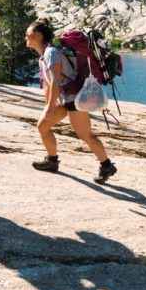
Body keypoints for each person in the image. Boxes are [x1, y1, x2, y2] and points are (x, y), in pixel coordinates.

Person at [25, 18, 117, 183]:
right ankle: (52, 161)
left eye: (28, 35)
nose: (26, 38)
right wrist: (49, 105)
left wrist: (50, 107)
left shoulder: (51, 53)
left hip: (75, 99)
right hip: (65, 100)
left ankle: (107, 166)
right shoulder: (43, 56)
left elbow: (55, 81)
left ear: (38, 35)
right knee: (43, 126)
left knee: (84, 134)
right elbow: (47, 84)